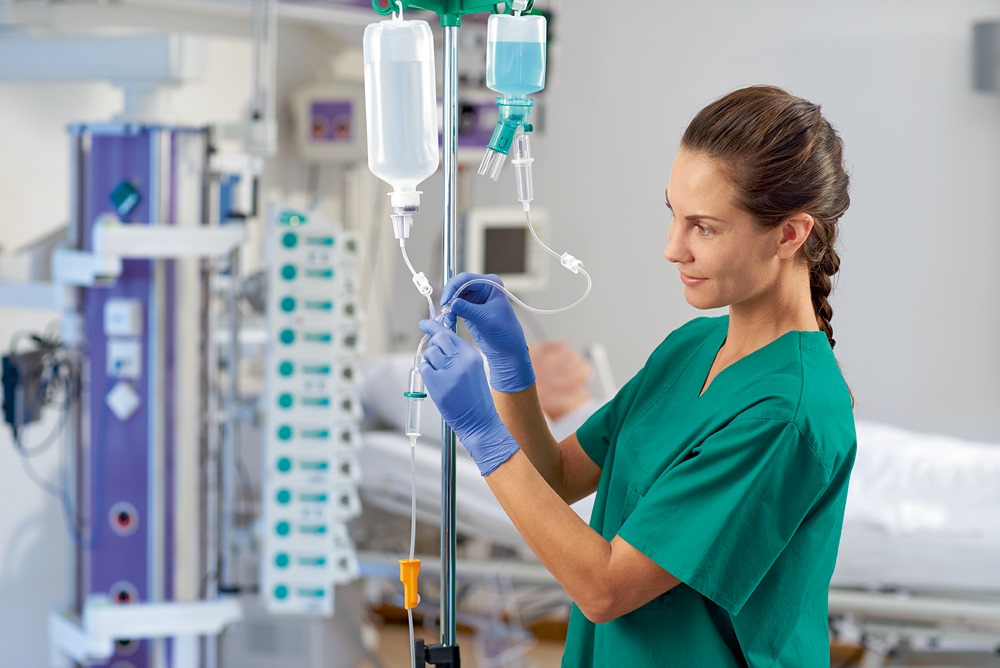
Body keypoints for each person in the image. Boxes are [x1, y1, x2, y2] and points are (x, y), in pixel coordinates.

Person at [417, 85, 855, 667]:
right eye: (673, 215)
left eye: (704, 227)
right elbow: (559, 475)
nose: (673, 248)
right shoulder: (692, 347)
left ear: (789, 235)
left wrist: (483, 435)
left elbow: (605, 589)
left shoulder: (786, 415)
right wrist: (510, 366)